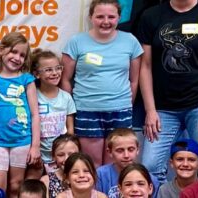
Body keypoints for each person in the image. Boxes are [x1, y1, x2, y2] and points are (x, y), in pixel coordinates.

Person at [135, 0, 198, 184]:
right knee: (150, 167)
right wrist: (150, 110)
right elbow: (144, 66)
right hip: (162, 109)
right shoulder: (151, 16)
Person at [61, 0, 142, 166]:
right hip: (87, 110)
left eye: (111, 17)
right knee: (93, 163)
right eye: (100, 16)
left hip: (120, 111)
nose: (106, 22)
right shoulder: (76, 42)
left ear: (119, 17)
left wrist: (125, 103)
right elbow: (65, 79)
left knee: (118, 163)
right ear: (91, 17)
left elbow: (134, 80)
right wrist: (71, 108)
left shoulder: (130, 41)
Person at [0, 32, 42, 198]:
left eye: (22, 55)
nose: (17, 58)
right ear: (1, 50)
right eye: (13, 52)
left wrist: (35, 146)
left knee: (16, 186)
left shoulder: (26, 79)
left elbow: (35, 114)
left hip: (22, 140)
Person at [31, 48, 76, 176]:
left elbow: (70, 130)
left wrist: (66, 154)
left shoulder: (66, 97)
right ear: (37, 74)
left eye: (58, 68)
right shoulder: (34, 96)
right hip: (38, 156)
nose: (55, 73)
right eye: (48, 70)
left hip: (61, 158)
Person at [95, 128, 157, 198]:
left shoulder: (150, 178)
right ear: (110, 152)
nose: (126, 155)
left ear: (137, 150)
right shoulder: (100, 175)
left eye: (131, 150)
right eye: (120, 150)